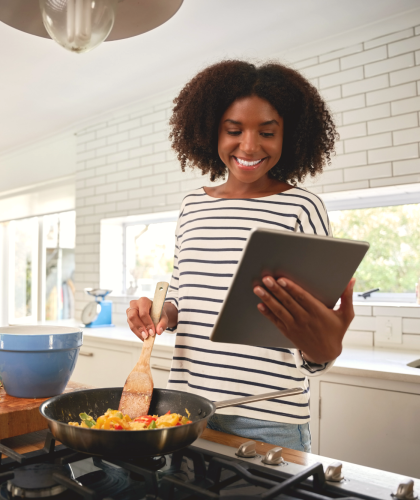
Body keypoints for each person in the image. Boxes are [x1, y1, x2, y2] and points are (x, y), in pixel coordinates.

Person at [125, 60, 355, 452]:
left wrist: (326, 345)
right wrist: (163, 312)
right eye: (234, 130)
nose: (249, 145)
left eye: (267, 132)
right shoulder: (192, 206)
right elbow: (183, 294)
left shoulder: (302, 206)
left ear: (290, 135)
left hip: (269, 416)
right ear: (211, 130)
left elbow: (313, 323)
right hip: (186, 409)